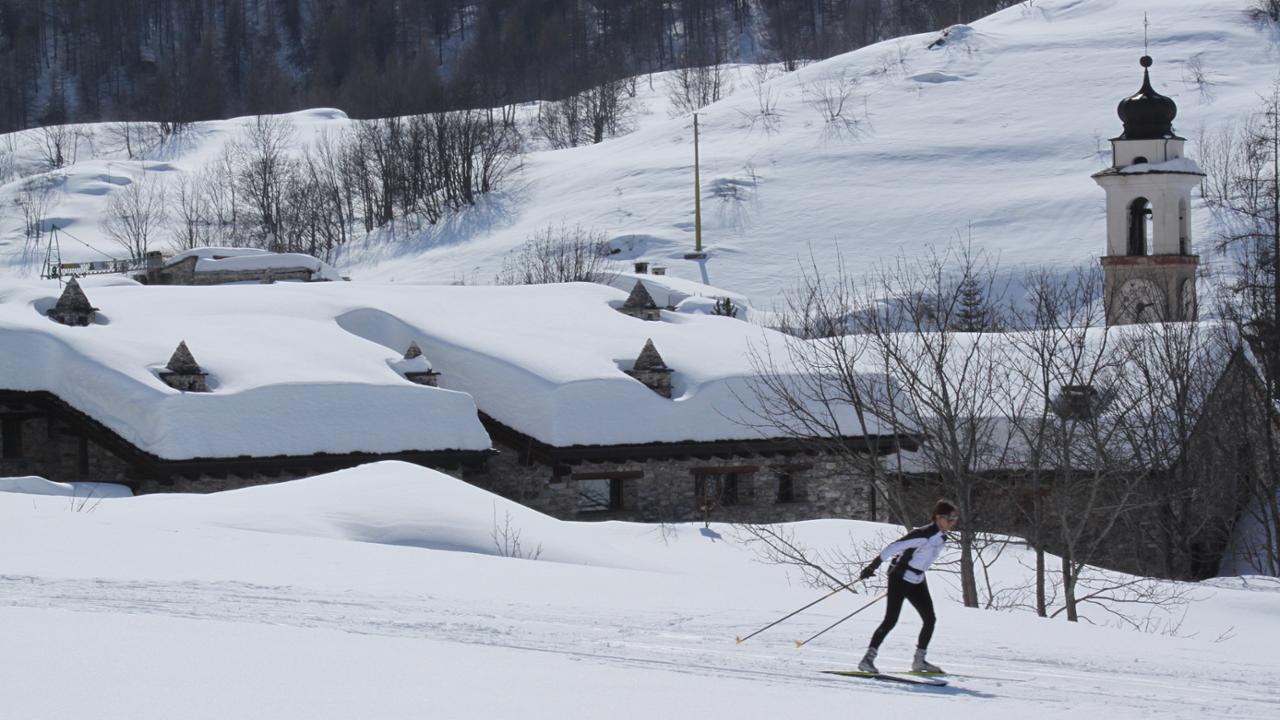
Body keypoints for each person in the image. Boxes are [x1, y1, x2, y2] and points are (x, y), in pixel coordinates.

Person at [855, 499, 959, 674]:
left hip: (917, 580)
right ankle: (867, 660)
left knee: (930, 619)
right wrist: (872, 567)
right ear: (938, 517)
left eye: (954, 520)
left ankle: (919, 661)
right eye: (949, 519)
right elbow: (894, 547)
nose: (952, 523)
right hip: (900, 578)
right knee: (891, 620)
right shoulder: (922, 534)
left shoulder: (941, 538)